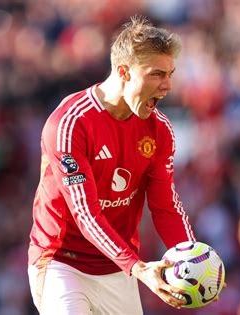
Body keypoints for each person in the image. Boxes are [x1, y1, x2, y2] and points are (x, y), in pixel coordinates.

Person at [27, 16, 198, 314]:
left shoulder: (160, 131)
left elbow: (165, 207)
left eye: (170, 73)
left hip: (117, 267)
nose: (168, 85)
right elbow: (85, 213)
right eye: (157, 74)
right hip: (62, 262)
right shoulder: (70, 124)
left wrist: (193, 260)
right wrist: (138, 268)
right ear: (124, 72)